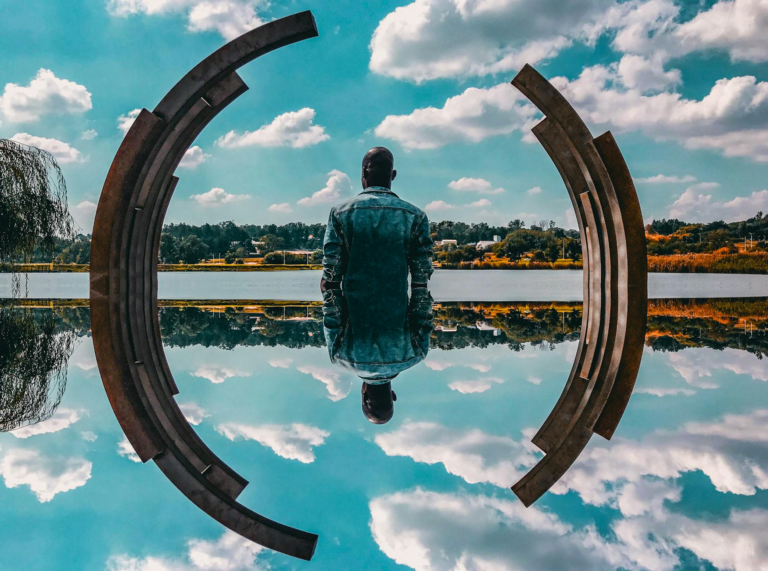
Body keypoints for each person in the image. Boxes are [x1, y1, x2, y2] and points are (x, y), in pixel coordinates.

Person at [320, 146, 434, 423]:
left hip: (352, 295)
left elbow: (331, 273)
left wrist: (328, 287)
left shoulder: (341, 212)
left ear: (363, 174)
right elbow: (421, 276)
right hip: (397, 295)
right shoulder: (414, 216)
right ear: (393, 175)